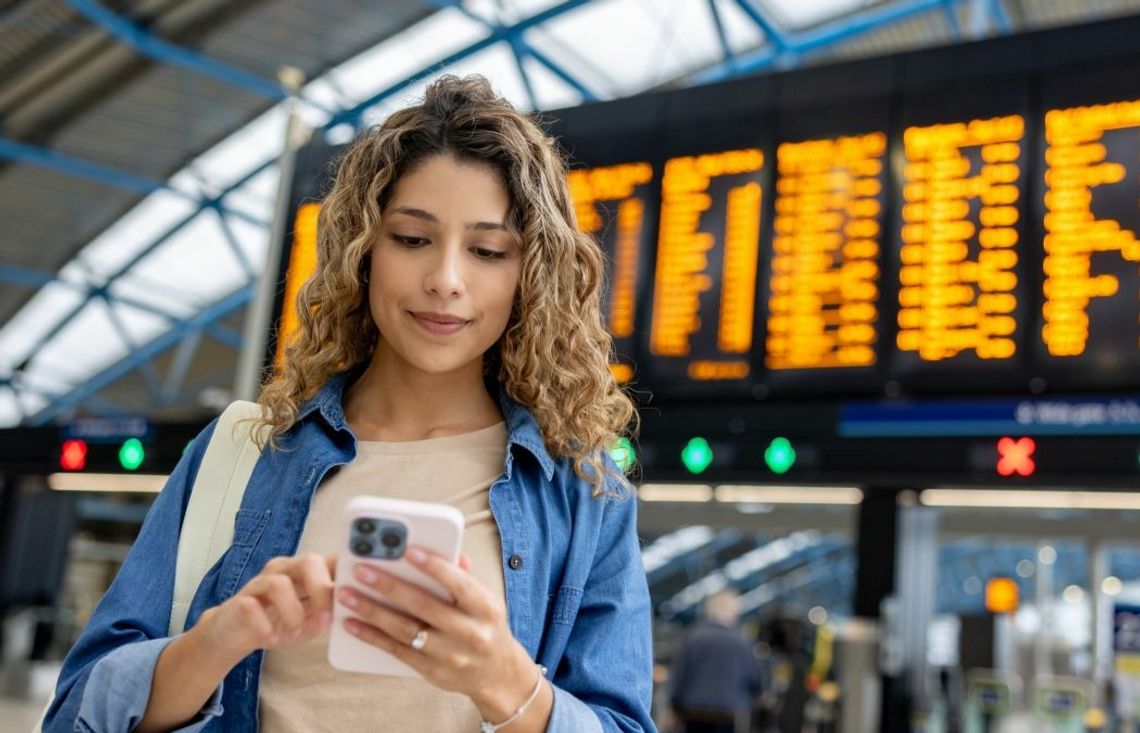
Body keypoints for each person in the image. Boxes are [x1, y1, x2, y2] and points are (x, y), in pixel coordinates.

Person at [43, 75, 655, 733]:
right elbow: (80, 708)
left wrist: (505, 684)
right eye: (412, 238)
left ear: (528, 273)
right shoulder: (243, 453)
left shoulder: (584, 492)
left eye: (486, 250)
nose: (445, 279)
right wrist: (218, 640)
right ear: (363, 252)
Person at [669, 590, 762, 733]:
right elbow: (756, 681)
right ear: (735, 612)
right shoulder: (743, 642)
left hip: (692, 712)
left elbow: (679, 676)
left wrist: (674, 706)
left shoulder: (693, 637)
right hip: (727, 713)